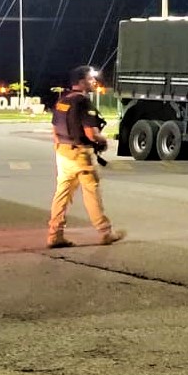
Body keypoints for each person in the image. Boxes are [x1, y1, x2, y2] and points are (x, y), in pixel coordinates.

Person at [47, 65, 125, 248]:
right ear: (81, 82)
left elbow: (54, 129)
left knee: (62, 194)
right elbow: (91, 133)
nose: (93, 82)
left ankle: (55, 234)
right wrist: (103, 141)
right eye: (90, 79)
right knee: (91, 193)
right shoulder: (83, 102)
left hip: (63, 152)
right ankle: (105, 232)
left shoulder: (63, 100)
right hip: (81, 154)